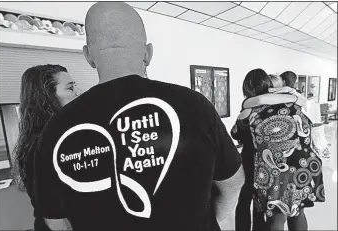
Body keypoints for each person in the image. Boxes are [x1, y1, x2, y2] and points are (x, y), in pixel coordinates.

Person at [33, 2, 244, 231]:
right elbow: (233, 182)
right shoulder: (196, 106)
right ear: (148, 53)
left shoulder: (56, 129)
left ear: (88, 56)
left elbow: (55, 221)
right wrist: (209, 220)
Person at [234, 69, 325, 231]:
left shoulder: (250, 110)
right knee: (297, 213)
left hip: (276, 169)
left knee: (277, 216)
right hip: (304, 165)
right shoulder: (295, 103)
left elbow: (236, 133)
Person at [12, 64, 81, 230]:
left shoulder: (67, 137)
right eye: (70, 88)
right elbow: (57, 222)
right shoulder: (39, 148)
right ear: (47, 97)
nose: (79, 93)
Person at [233, 69, 271, 231]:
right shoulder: (273, 109)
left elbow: (235, 133)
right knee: (260, 203)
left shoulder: (247, 111)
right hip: (267, 162)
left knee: (243, 202)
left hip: (249, 160)